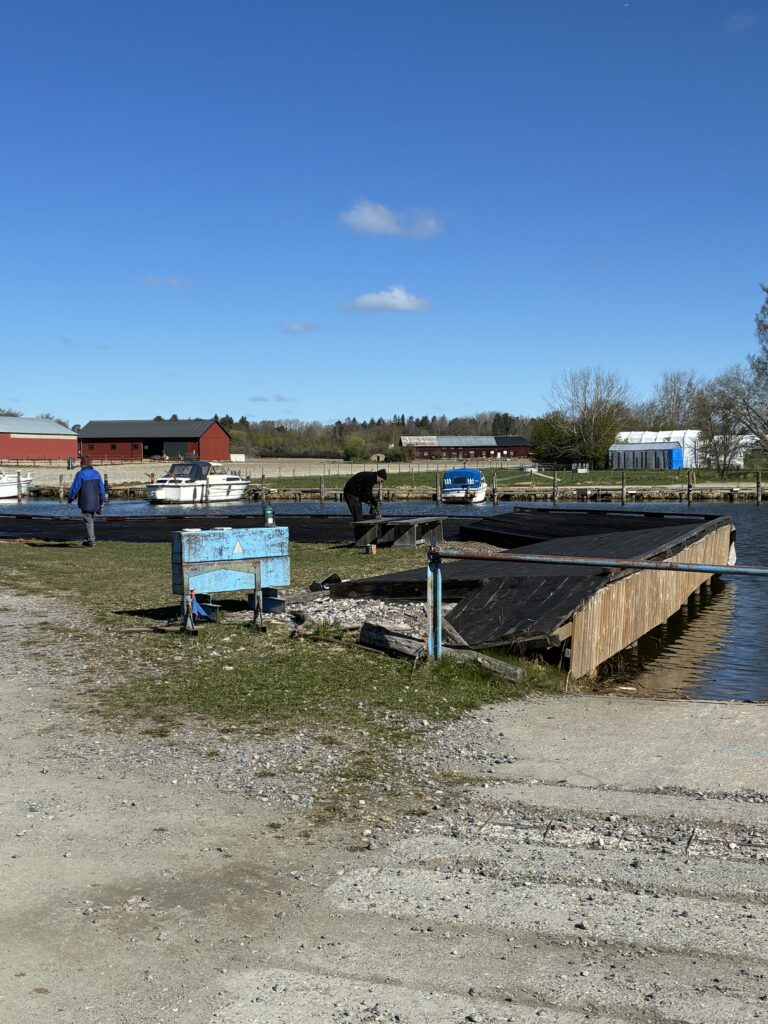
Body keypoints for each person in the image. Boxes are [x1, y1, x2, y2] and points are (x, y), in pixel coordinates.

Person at [67, 456, 106, 547]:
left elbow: (75, 488)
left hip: (85, 501)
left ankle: (91, 541)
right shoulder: (96, 473)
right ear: (90, 464)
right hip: (95, 502)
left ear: (82, 464)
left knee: (88, 521)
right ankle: (88, 539)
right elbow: (102, 489)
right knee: (90, 520)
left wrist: (70, 499)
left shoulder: (80, 474)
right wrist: (102, 501)